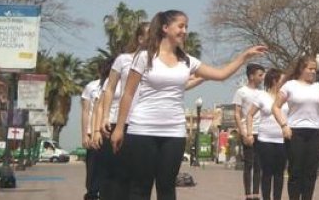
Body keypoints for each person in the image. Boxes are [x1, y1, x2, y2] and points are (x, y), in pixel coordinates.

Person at [111, 10, 264, 200]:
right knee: (140, 189)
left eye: (187, 27)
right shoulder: (145, 57)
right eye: (181, 26)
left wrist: (244, 56)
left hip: (174, 132)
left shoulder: (188, 61)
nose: (185, 31)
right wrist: (119, 128)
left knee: (167, 187)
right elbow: (128, 93)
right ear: (165, 28)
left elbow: (221, 74)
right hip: (142, 129)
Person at [92, 22, 148, 200]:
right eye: (150, 35)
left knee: (140, 179)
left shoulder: (161, 64)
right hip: (121, 123)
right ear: (140, 39)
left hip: (145, 125)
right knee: (116, 176)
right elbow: (109, 89)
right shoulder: (123, 60)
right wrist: (105, 117)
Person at [273, 55, 319, 200]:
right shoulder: (290, 85)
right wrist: (284, 125)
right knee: (296, 170)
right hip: (295, 131)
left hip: (315, 131)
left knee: (311, 172)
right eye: (310, 69)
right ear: (302, 69)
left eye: (315, 69)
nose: (313, 72)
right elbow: (276, 107)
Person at [250, 68, 288, 200]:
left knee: (279, 173)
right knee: (267, 173)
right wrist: (249, 133)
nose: (285, 82)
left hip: (282, 140)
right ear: (274, 80)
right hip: (265, 140)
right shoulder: (262, 96)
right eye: (283, 80)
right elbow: (249, 115)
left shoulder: (287, 97)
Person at [235, 63, 267, 200]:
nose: (262, 77)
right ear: (251, 76)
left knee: (259, 164)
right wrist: (243, 133)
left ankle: (256, 194)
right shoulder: (241, 91)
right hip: (248, 131)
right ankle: (248, 194)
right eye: (260, 75)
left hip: (262, 132)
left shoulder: (263, 93)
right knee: (248, 164)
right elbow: (237, 114)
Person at [82, 60, 110, 200]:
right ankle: (92, 194)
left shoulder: (116, 86)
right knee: (93, 169)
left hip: (109, 131)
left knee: (108, 169)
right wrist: (85, 135)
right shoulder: (91, 87)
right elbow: (86, 111)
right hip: (92, 132)